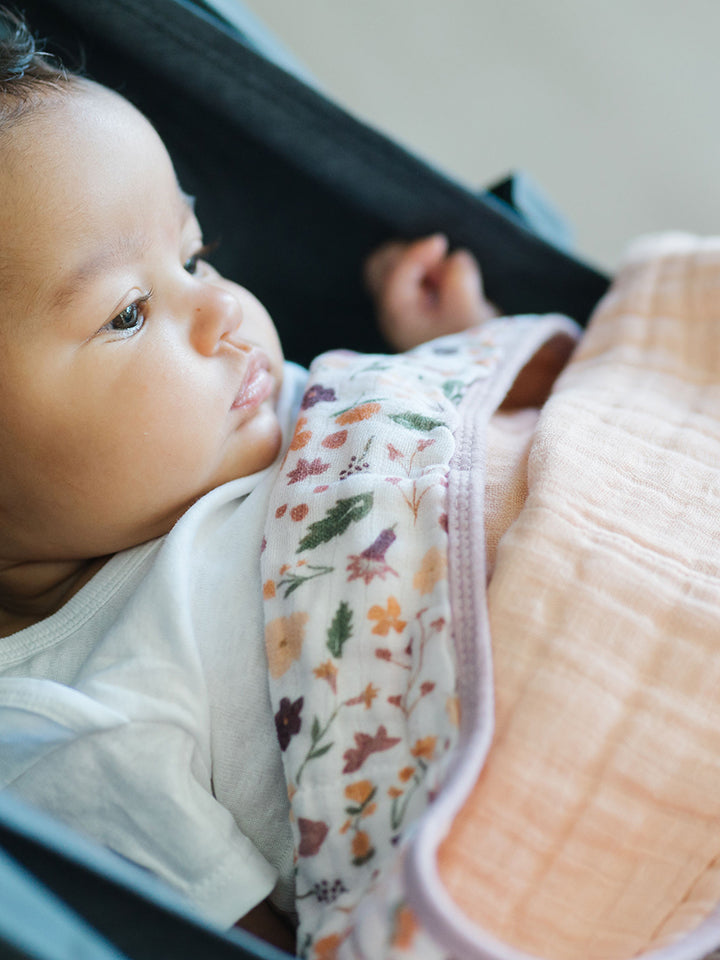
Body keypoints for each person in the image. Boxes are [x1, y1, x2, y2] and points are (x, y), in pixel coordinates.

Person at [0, 10, 498, 951]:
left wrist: (453, 354)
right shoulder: (63, 726)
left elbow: (447, 446)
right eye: (128, 313)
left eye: (192, 254)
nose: (224, 308)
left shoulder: (237, 421)